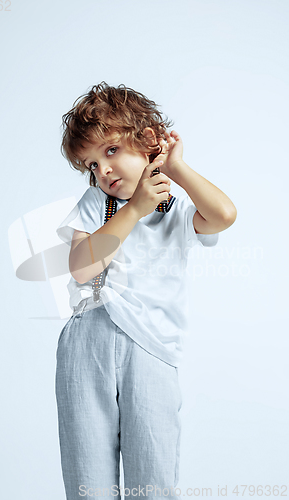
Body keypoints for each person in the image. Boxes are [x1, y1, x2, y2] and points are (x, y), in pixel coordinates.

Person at [55, 81, 237, 499]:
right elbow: (83, 268)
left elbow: (225, 215)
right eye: (92, 165)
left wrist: (176, 170)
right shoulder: (95, 203)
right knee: (88, 483)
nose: (102, 171)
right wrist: (134, 209)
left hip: (152, 347)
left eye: (111, 151)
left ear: (148, 141)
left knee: (152, 482)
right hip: (89, 341)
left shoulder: (178, 211)